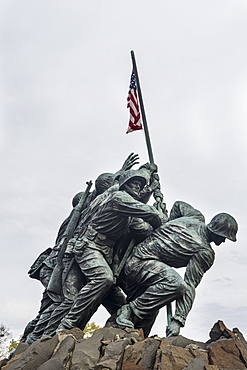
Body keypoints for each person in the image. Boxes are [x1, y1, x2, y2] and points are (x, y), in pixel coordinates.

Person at [21, 153, 140, 344]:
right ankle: (34, 340)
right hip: (62, 264)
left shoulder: (102, 210)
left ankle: (124, 334)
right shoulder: (80, 216)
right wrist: (122, 173)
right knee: (60, 303)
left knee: (115, 303)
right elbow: (104, 192)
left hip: (92, 261)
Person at [55, 169, 163, 333]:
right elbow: (150, 213)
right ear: (124, 185)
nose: (138, 186)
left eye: (140, 184)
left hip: (106, 254)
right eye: (134, 183)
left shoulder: (128, 213)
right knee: (103, 278)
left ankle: (124, 328)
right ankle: (68, 323)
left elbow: (145, 228)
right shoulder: (119, 198)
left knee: (119, 302)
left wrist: (160, 211)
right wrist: (158, 210)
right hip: (89, 246)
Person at [115, 200, 238, 338]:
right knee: (176, 285)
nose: (223, 242)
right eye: (223, 237)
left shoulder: (195, 216)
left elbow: (178, 205)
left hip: (139, 261)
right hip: (139, 264)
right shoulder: (204, 252)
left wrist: (168, 224)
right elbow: (189, 284)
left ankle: (132, 338)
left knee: (150, 311)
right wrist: (178, 320)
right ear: (217, 232)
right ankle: (129, 311)